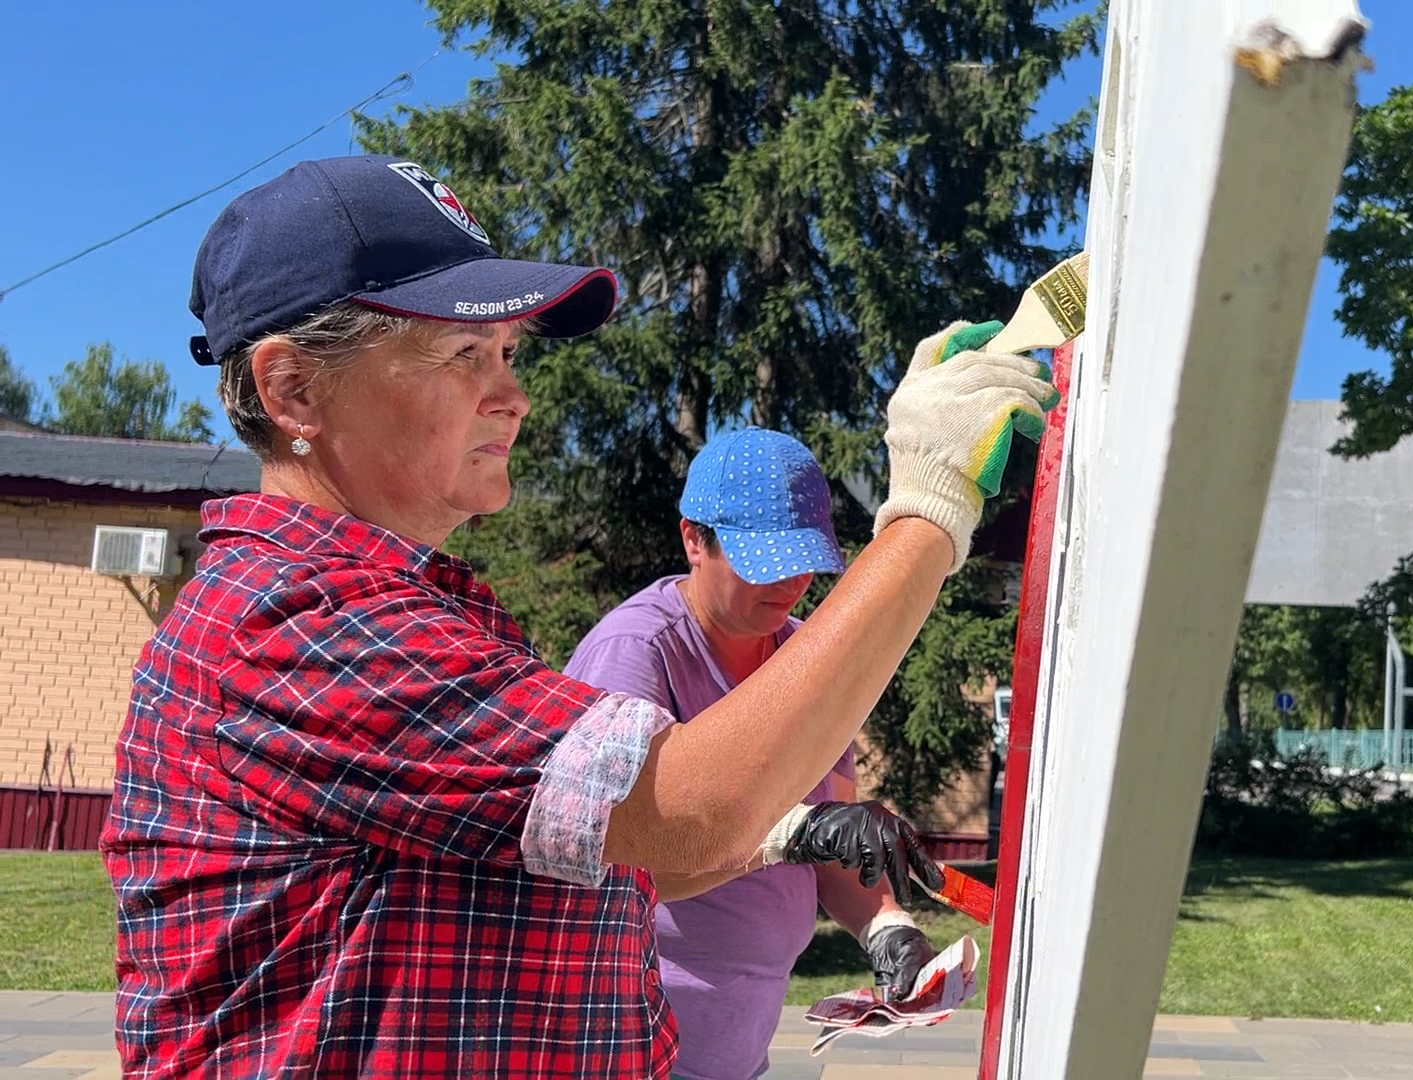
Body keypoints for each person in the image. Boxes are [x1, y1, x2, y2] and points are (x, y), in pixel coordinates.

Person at [98, 154, 1057, 1079]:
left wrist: (863, 903)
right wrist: (928, 508)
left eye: (509, 351)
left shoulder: (397, 609)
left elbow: (633, 860)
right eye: (465, 353)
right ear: (294, 388)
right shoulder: (296, 618)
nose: (514, 394)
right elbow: (692, 813)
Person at [565, 428, 938, 1080]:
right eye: (764, 560)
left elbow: (830, 846)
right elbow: (622, 866)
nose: (791, 582)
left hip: (739, 1048)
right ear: (693, 539)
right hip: (627, 1046)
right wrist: (795, 831)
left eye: (803, 559)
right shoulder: (636, 654)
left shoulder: (805, 659)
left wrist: (886, 925)